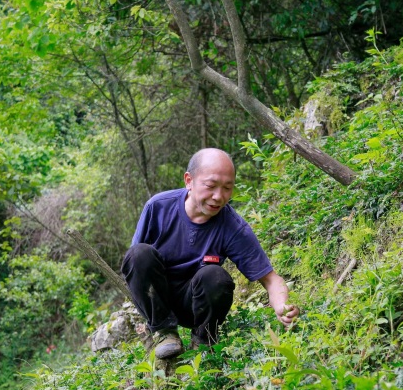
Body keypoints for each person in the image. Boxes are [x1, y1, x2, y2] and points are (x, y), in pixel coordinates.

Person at [121, 148, 299, 359]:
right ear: (189, 180)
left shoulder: (232, 227)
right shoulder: (158, 207)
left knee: (215, 275)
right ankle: (164, 333)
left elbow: (270, 279)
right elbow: (134, 266)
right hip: (157, 300)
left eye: (227, 188)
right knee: (139, 253)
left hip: (197, 304)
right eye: (211, 186)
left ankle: (204, 341)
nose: (218, 196)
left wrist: (282, 306)